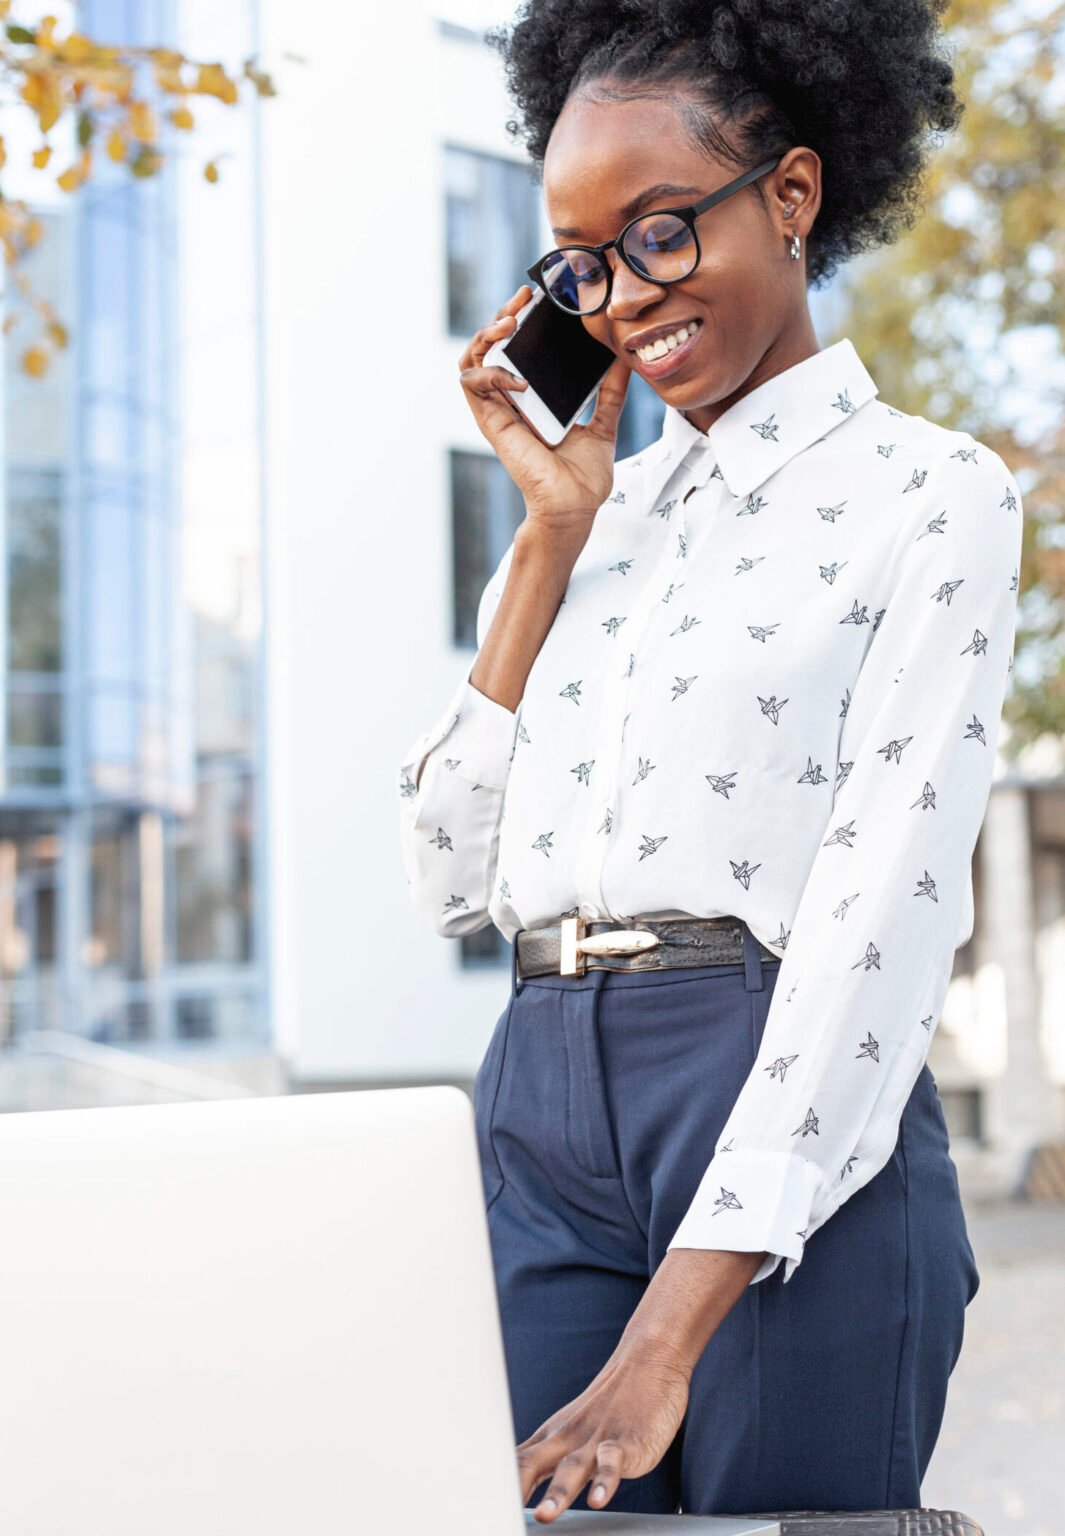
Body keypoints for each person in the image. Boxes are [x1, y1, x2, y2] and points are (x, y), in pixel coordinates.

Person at [397, 0, 1024, 1521]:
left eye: (661, 233)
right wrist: (545, 541)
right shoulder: (577, 526)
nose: (619, 298)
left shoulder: (926, 496)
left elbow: (878, 918)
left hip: (779, 1093)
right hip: (536, 1094)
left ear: (791, 198)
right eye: (581, 260)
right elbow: (446, 884)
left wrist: (668, 1333)